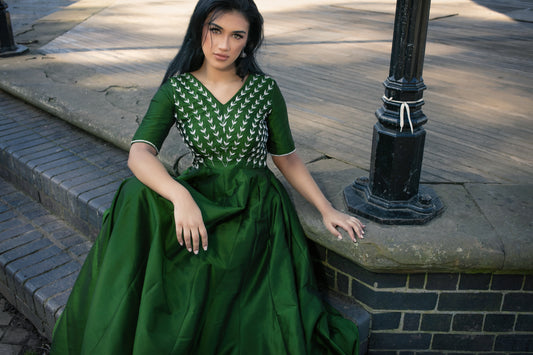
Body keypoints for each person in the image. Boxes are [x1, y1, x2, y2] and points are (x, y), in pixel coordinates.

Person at [50, 0, 366, 353]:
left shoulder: (264, 90)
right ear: (199, 27)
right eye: (215, 30)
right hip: (203, 196)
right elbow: (140, 152)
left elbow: (286, 157)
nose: (223, 45)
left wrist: (326, 210)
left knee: (220, 275)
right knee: (134, 194)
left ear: (249, 42)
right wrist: (180, 197)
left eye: (237, 35)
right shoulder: (178, 89)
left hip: (253, 205)